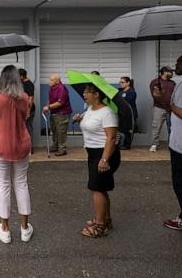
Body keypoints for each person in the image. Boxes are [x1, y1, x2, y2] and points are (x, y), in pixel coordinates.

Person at [0, 65, 33, 244]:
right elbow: (25, 116)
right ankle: (25, 228)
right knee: (21, 183)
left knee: (3, 185)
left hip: (0, 145)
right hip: (22, 144)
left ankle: (4, 229)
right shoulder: (25, 98)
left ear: (2, 80)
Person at [73, 83, 120, 238]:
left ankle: (100, 227)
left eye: (87, 92)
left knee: (97, 189)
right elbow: (91, 127)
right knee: (100, 188)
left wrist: (104, 159)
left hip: (104, 154)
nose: (84, 94)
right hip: (93, 153)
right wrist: (80, 119)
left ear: (97, 94)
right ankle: (106, 219)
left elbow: (111, 138)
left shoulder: (107, 112)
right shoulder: (90, 110)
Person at [160, 53, 182, 249]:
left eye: (181, 61)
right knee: (180, 185)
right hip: (176, 145)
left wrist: (170, 105)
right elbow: (171, 107)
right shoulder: (180, 85)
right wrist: (161, 98)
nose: (176, 64)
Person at [42, 74, 72, 156]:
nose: (50, 81)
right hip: (54, 112)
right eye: (50, 79)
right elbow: (49, 98)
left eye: (52, 80)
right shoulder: (52, 87)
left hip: (62, 113)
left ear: (57, 81)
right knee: (54, 131)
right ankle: (55, 146)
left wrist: (48, 107)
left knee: (61, 132)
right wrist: (48, 106)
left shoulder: (62, 89)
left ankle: (62, 149)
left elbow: (60, 103)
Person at [149, 66, 176, 152]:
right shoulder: (155, 82)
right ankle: (154, 144)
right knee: (156, 126)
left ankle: (171, 145)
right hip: (159, 108)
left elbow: (175, 96)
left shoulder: (172, 83)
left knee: (171, 128)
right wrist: (165, 105)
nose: (172, 73)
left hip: (171, 109)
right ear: (164, 72)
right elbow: (155, 96)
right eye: (170, 72)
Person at [19, 68, 35, 154]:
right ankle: (23, 148)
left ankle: (29, 149)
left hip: (28, 111)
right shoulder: (21, 83)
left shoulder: (29, 84)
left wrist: (28, 112)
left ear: (21, 76)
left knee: (28, 129)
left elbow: (31, 99)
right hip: (21, 110)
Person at [119, 76, 138, 150]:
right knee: (122, 129)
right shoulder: (121, 91)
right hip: (122, 113)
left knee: (128, 130)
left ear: (128, 83)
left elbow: (127, 102)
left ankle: (127, 145)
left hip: (130, 114)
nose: (121, 84)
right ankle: (122, 143)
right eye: (120, 82)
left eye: (122, 82)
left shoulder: (132, 92)